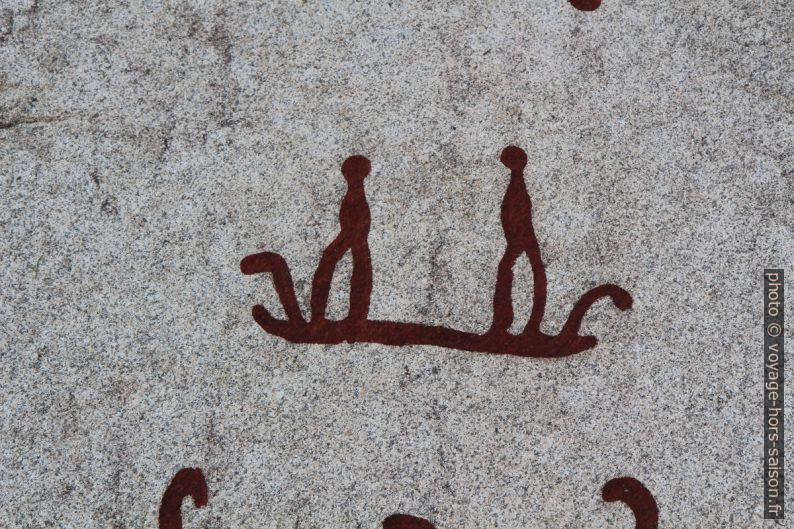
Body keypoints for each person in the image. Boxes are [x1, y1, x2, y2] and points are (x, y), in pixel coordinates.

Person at [489, 146, 548, 337]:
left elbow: (516, 212)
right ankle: (505, 324)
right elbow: (511, 213)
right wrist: (514, 239)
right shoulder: (515, 186)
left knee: (532, 271)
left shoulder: (517, 186)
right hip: (518, 237)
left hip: (520, 236)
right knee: (527, 270)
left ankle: (530, 326)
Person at [309, 155, 373, 325]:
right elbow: (355, 217)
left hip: (355, 234)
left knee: (341, 262)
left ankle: (351, 317)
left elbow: (358, 218)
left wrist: (354, 235)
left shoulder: (356, 193)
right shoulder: (355, 193)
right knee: (348, 262)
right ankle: (321, 316)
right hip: (353, 234)